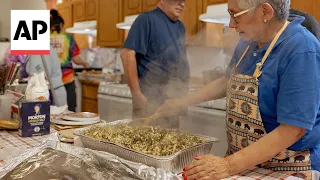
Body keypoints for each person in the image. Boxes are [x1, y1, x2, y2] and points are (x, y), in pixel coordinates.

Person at [157, 0, 320, 179]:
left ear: (265, 12)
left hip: (286, 169)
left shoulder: (301, 49)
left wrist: (227, 166)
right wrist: (181, 102)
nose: (231, 24)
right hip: (245, 164)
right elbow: (226, 82)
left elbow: (293, 129)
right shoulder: (248, 43)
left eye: (235, 15)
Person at [120, 0, 190, 128]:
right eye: (178, 0)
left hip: (173, 101)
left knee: (172, 144)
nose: (182, 4)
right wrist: (136, 94)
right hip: (150, 102)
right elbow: (127, 54)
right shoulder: (146, 20)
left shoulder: (180, 26)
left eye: (184, 1)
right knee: (145, 144)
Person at [50, 9, 89, 112]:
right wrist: (84, 63)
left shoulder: (43, 38)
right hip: (66, 78)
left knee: (51, 110)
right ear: (61, 25)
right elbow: (75, 59)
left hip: (49, 80)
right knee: (69, 110)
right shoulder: (67, 38)